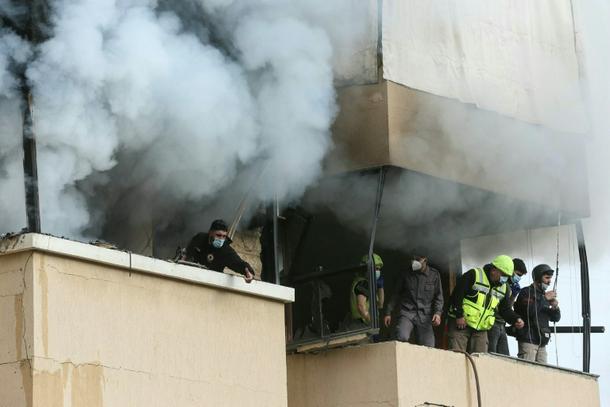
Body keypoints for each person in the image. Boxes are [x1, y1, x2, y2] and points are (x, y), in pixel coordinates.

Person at [447, 255, 524, 353]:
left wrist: (515, 319)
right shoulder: (474, 274)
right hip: (461, 324)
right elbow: (457, 295)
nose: (505, 279)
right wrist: (459, 315)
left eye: (507, 276)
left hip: (481, 329)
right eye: (503, 275)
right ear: (493, 270)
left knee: (480, 358)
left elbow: (505, 309)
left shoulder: (504, 287)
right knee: (457, 355)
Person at [383, 251, 443, 347]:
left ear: (425, 260)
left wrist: (437, 313)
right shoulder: (405, 274)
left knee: (429, 346)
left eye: (417, 259)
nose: (414, 262)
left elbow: (439, 297)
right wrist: (388, 312)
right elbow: (395, 294)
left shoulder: (434, 275)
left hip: (425, 315)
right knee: (401, 336)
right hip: (407, 312)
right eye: (413, 259)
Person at [514, 264, 561, 363]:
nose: (549, 281)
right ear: (538, 278)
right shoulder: (526, 292)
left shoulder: (543, 295)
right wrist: (544, 299)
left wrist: (555, 307)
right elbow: (529, 312)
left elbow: (555, 318)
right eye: (547, 278)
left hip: (542, 343)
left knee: (543, 370)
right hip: (528, 340)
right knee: (526, 369)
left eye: (550, 278)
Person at [185, 219, 255, 283]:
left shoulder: (225, 250)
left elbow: (238, 263)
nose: (221, 239)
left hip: (211, 281)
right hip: (191, 276)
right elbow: (187, 253)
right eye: (218, 235)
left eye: (224, 236)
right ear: (210, 232)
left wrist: (248, 272)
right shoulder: (200, 239)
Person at [488, 258, 528, 355]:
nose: (518, 278)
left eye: (521, 276)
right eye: (518, 274)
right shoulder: (497, 282)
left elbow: (507, 308)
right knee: (491, 353)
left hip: (502, 323)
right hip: (492, 322)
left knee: (504, 355)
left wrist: (513, 295)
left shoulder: (511, 287)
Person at [348, 253, 384, 328]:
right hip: (361, 324)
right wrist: (370, 321)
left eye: (378, 269)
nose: (377, 271)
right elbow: (361, 306)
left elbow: (380, 304)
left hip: (365, 323)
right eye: (375, 268)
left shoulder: (369, 283)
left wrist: (380, 287)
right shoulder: (363, 283)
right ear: (366, 268)